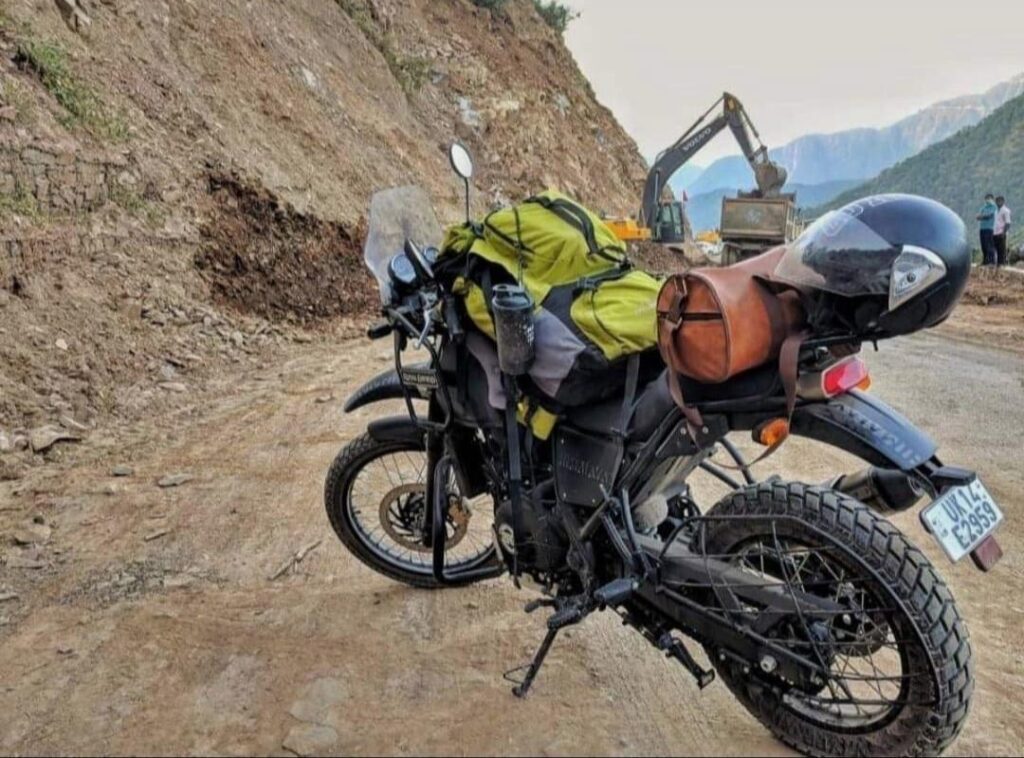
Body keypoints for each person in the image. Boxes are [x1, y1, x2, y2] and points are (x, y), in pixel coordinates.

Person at [977, 193, 998, 266]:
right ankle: (985, 260)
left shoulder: (994, 207)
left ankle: (992, 261)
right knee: (983, 245)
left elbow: (989, 216)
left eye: (989, 198)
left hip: (990, 228)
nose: (987, 200)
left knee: (989, 245)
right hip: (982, 228)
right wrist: (981, 217)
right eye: (986, 199)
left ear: (992, 199)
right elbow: (978, 216)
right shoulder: (984, 207)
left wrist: (982, 217)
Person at [994, 196, 1012, 267]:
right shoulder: (996, 211)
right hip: (995, 232)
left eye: (999, 201)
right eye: (997, 201)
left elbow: (1008, 223)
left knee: (1002, 249)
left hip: (1002, 233)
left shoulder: (1006, 211)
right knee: (996, 249)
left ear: (1003, 201)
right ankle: (998, 263)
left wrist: (1003, 233)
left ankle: (1002, 263)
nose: (998, 203)